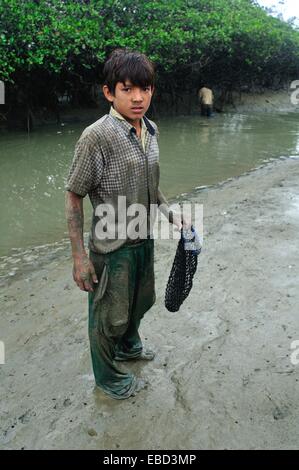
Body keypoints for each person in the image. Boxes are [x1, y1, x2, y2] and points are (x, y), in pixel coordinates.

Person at [65, 49, 184, 400]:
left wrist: (169, 212)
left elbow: (151, 181)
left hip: (142, 236)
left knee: (140, 301)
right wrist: (79, 258)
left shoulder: (151, 129)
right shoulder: (95, 136)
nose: (137, 97)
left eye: (145, 89)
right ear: (109, 92)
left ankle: (130, 347)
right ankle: (109, 379)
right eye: (127, 88)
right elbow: (73, 196)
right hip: (111, 245)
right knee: (108, 316)